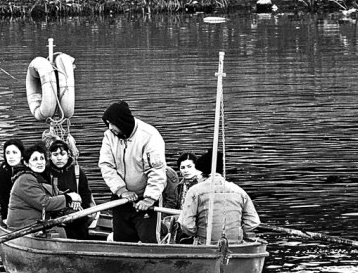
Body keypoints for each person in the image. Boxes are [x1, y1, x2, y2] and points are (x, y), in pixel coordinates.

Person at [98, 100, 168, 243]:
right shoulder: (109, 136)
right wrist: (121, 190)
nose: (110, 128)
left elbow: (157, 170)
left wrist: (149, 198)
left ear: (122, 122)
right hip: (121, 198)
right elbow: (106, 166)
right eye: (108, 124)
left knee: (149, 242)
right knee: (122, 241)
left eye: (112, 123)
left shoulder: (149, 136)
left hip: (146, 198)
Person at [177, 150, 260, 245]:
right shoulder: (239, 191)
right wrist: (238, 230)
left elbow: (186, 225)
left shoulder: (194, 191)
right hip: (235, 244)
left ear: (202, 173)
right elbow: (253, 221)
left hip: (205, 244)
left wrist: (197, 232)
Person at [7, 144, 81, 236]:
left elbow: (55, 193)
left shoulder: (38, 177)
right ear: (26, 163)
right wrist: (68, 198)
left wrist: (74, 198)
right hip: (23, 227)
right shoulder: (25, 179)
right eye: (35, 159)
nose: (39, 162)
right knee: (70, 232)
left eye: (42, 158)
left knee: (80, 223)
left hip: (37, 223)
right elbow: (44, 203)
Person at [47, 138, 94, 240]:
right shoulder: (47, 173)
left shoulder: (77, 171)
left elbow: (86, 193)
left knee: (82, 232)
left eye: (62, 154)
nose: (59, 158)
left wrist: (79, 206)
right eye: (55, 155)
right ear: (50, 156)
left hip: (78, 214)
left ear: (68, 155)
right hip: (57, 216)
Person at [0, 138, 26, 222]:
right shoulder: (2, 175)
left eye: (14, 152)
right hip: (12, 215)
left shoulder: (30, 169)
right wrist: (6, 219)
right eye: (8, 153)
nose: (11, 156)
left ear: (22, 155)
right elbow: (4, 201)